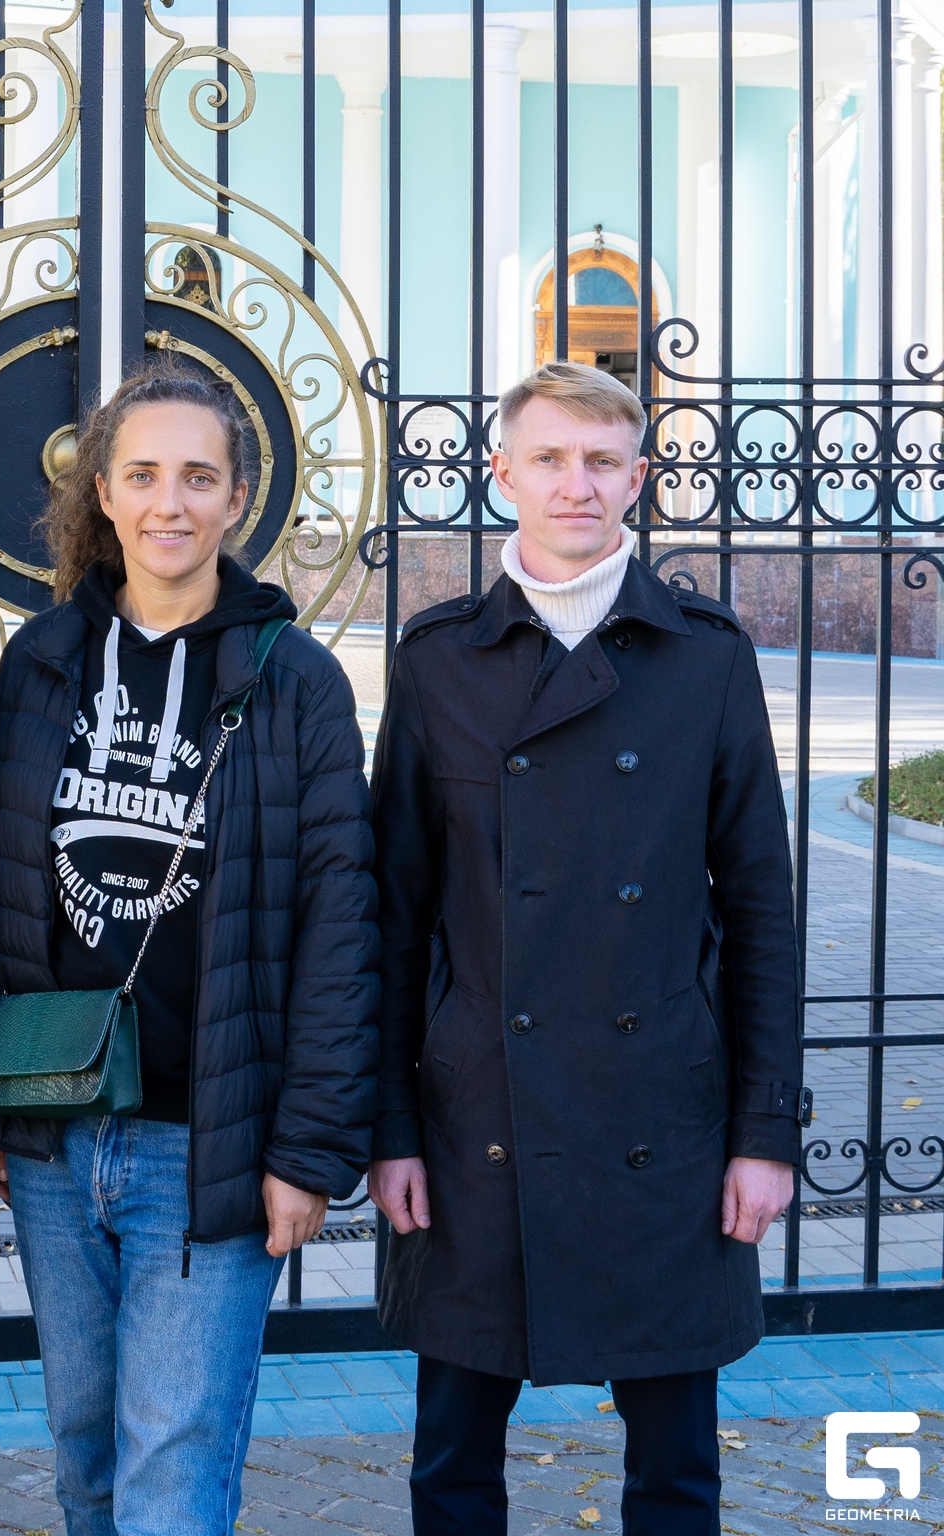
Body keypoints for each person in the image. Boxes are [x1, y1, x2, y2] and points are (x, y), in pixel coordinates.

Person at [367, 360, 805, 1535]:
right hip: (478, 1117)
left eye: (603, 461)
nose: (578, 484)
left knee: (676, 1471)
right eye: (550, 458)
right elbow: (395, 911)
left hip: (662, 1112)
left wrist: (765, 1134)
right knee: (452, 1465)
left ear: (639, 478)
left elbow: (760, 908)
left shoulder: (707, 656)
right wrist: (390, 1129)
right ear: (501, 472)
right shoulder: (437, 658)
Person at [0, 359, 381, 1536]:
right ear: (102, 491)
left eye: (199, 477)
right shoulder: (40, 663)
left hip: (211, 1147)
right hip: (55, 1136)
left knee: (173, 1468)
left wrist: (309, 1149)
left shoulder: (297, 684)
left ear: (239, 497)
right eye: (142, 475)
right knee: (87, 1452)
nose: (169, 503)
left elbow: (341, 927)